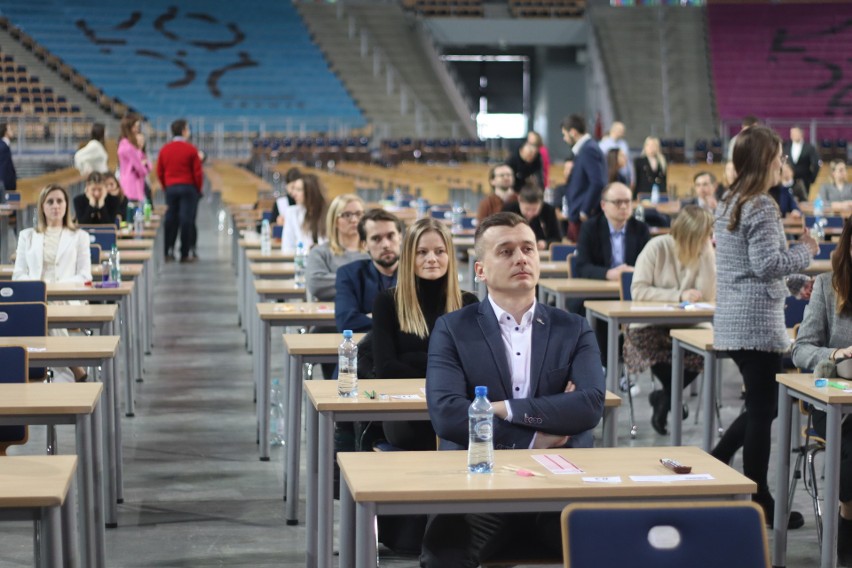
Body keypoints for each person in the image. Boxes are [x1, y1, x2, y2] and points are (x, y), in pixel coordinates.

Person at [422, 212, 605, 566]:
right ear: (480, 270)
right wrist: (536, 436)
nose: (521, 258)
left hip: (559, 482)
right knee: (444, 556)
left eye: (528, 249)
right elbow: (446, 414)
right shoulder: (452, 329)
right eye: (505, 251)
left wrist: (503, 408)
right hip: (479, 481)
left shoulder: (574, 327)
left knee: (612, 548)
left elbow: (590, 405)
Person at [712, 125, 818, 529]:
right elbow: (767, 264)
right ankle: (760, 499)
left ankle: (719, 462)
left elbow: (748, 266)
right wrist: (805, 252)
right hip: (756, 324)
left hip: (736, 320)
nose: (783, 163)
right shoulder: (761, 205)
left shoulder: (730, 201)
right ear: (765, 161)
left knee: (762, 406)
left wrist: (795, 283)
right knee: (762, 410)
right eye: (779, 157)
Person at [373, 217, 478, 449]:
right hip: (405, 414)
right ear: (410, 257)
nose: (432, 259)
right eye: (422, 252)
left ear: (449, 256)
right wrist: (445, 367)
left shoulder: (468, 303)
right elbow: (386, 368)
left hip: (454, 409)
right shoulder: (388, 302)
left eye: (439, 251)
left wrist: (413, 360)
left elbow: (474, 369)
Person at [624, 205, 716, 435]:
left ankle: (665, 397)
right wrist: (678, 296)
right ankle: (671, 397)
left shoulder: (703, 252)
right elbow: (638, 290)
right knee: (643, 341)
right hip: (651, 322)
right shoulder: (657, 247)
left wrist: (708, 256)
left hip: (691, 322)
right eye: (706, 234)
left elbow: (710, 295)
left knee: (707, 350)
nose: (710, 238)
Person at [792, 218, 852, 565]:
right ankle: (846, 529)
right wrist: (835, 354)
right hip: (834, 403)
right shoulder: (827, 287)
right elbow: (801, 349)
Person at [13, 184, 92, 383]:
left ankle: (67, 376)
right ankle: (74, 369)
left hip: (68, 299)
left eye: (60, 201)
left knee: (43, 314)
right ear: (42, 206)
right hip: (36, 298)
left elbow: (85, 276)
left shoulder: (79, 236)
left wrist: (53, 288)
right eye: (50, 201)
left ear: (66, 205)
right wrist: (40, 288)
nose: (55, 206)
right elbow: (18, 275)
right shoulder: (27, 236)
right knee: (42, 312)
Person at [305, 194, 369, 379]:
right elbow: (317, 283)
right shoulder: (321, 252)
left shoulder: (373, 252)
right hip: (331, 325)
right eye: (347, 215)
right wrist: (361, 282)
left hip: (366, 323)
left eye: (359, 214)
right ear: (335, 220)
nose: (354, 219)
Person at [334, 209, 403, 334]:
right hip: (368, 349)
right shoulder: (349, 274)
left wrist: (373, 317)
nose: (386, 244)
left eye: (391, 236)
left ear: (400, 237)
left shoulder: (417, 273)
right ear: (364, 244)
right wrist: (400, 322)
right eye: (376, 238)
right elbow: (346, 322)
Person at [574, 182, 650, 283]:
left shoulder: (641, 229)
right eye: (617, 202)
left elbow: (649, 265)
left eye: (627, 202)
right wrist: (609, 274)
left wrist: (633, 272)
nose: (623, 206)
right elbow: (582, 267)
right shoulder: (590, 228)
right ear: (603, 205)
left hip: (631, 286)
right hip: (598, 288)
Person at [156, 119, 204, 263]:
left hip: (171, 188)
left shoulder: (165, 149)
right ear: (183, 131)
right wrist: (198, 189)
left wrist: (166, 187)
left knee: (170, 219)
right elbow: (197, 173)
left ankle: (167, 250)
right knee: (187, 220)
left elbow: (160, 172)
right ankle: (184, 253)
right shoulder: (191, 149)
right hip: (188, 188)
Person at [560, 114, 606, 242]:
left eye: (564, 134)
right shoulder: (585, 148)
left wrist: (584, 211)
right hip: (578, 212)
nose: (564, 138)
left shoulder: (588, 149)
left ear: (573, 132)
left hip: (583, 215)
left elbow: (597, 182)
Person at [502, 183, 561, 250]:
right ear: (519, 201)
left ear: (541, 204)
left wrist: (545, 243)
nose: (530, 213)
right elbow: (501, 235)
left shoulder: (549, 210)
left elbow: (557, 238)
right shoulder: (508, 210)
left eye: (534, 209)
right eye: (527, 209)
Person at [280, 173, 328, 253]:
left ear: (311, 191)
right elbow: (287, 247)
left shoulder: (328, 212)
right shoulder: (292, 213)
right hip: (301, 262)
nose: (294, 194)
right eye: (294, 189)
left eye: (299, 190)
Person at [117, 114, 150, 206]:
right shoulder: (129, 147)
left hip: (128, 182)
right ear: (128, 128)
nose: (137, 129)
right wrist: (144, 166)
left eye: (138, 127)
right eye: (134, 127)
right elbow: (141, 169)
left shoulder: (124, 144)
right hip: (132, 185)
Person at [783, 125, 821, 194]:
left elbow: (816, 164)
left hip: (804, 181)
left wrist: (812, 178)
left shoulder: (809, 148)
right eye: (791, 133)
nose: (792, 135)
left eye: (795, 133)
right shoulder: (786, 146)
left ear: (801, 134)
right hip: (788, 181)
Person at [598, 121, 632, 186]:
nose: (623, 133)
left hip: (624, 177)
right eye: (621, 130)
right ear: (614, 130)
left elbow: (629, 162)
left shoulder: (624, 144)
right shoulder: (603, 145)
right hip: (610, 177)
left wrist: (632, 177)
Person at [0, 122, 16, 194]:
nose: (12, 131)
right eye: (10, 129)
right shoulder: (3, 147)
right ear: (5, 132)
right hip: (5, 186)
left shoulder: (5, 146)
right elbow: (3, 169)